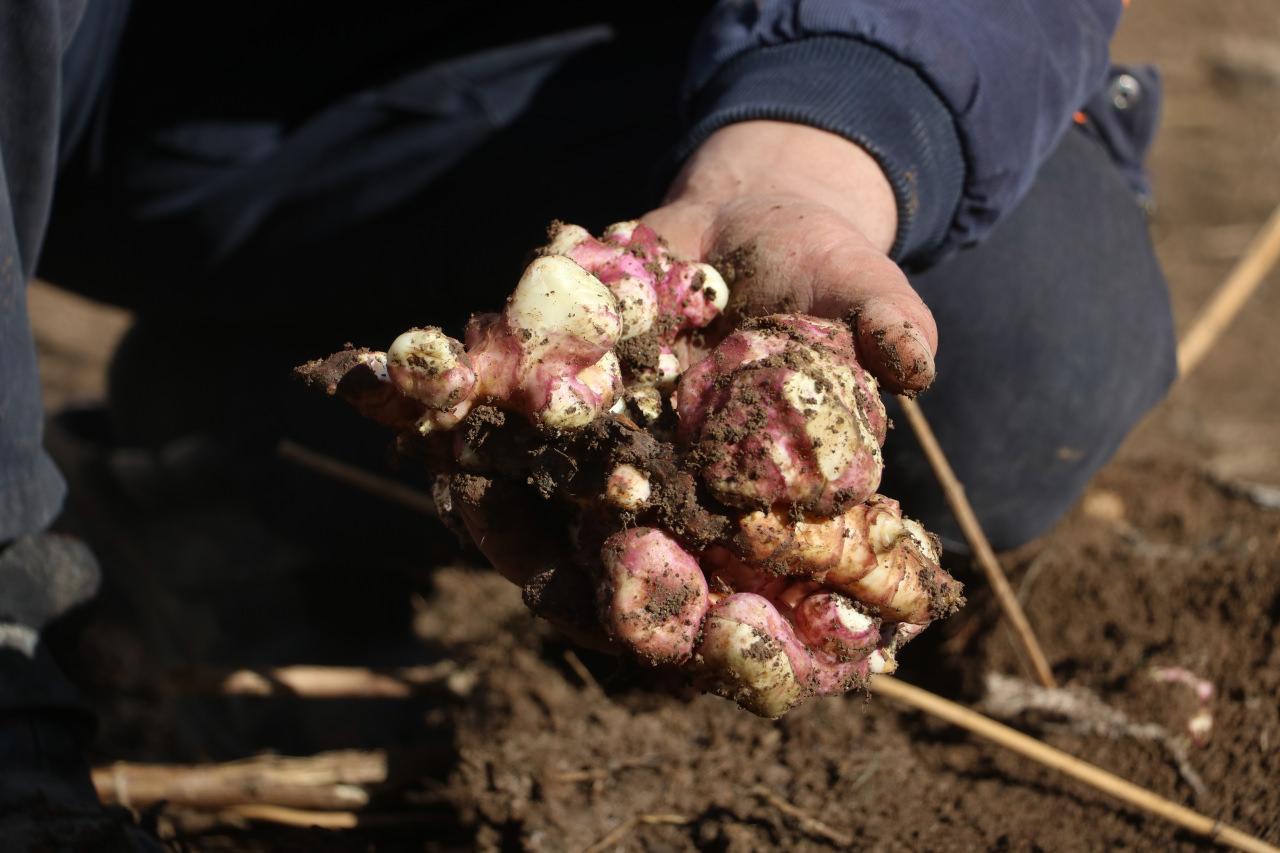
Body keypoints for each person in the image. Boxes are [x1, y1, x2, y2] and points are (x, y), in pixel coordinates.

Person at [1, 1, 1175, 847]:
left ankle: (239, 439)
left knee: (1032, 346)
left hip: (605, 65)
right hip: (109, 66)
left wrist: (813, 153)